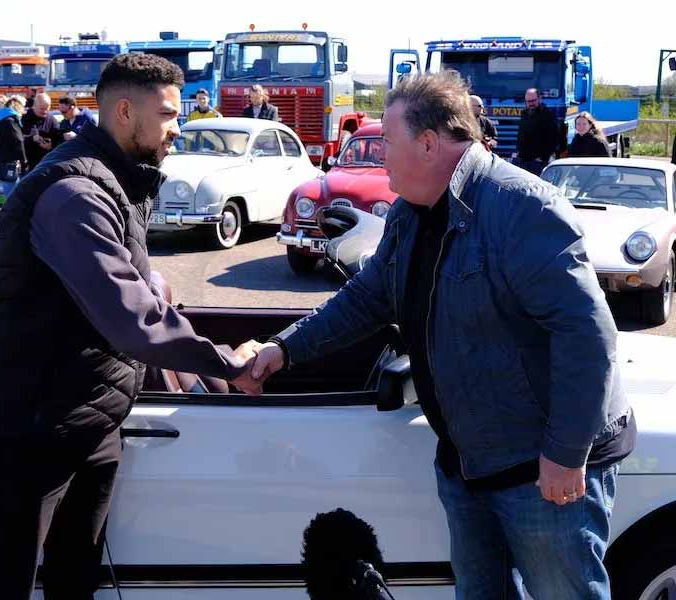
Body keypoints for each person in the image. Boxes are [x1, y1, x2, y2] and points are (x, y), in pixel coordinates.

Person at [247, 71, 634, 600]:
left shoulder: (522, 207)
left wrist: (567, 453)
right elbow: (366, 299)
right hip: (467, 463)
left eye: (387, 140)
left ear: (429, 144)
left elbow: (587, 335)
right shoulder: (410, 214)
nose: (379, 153)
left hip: (542, 469)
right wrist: (285, 347)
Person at [0, 52, 262, 600]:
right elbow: (133, 319)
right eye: (169, 115)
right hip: (30, 426)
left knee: (76, 577)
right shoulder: (75, 194)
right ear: (125, 111)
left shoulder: (119, 181)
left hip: (89, 419)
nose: (179, 129)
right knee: (9, 580)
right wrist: (224, 363)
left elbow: (136, 294)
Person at [516, 88, 559, 176]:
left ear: (539, 99)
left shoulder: (547, 115)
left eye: (533, 100)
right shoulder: (524, 114)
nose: (531, 103)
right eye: (528, 101)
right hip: (523, 161)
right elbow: (521, 134)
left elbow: (554, 138)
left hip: (539, 162)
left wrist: (543, 157)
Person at [0, 95, 27, 196]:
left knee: (8, 192)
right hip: (11, 165)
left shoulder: (1, 121)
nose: (23, 111)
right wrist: (24, 161)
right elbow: (18, 141)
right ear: (17, 106)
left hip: (2, 163)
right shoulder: (10, 122)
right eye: (23, 107)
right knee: (14, 196)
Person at [22, 92, 61, 170]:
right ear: (34, 106)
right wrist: (32, 139)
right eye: (42, 109)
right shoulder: (23, 117)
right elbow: (16, 139)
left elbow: (58, 138)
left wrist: (51, 145)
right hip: (26, 162)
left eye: (47, 109)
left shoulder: (51, 119)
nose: (44, 111)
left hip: (43, 164)